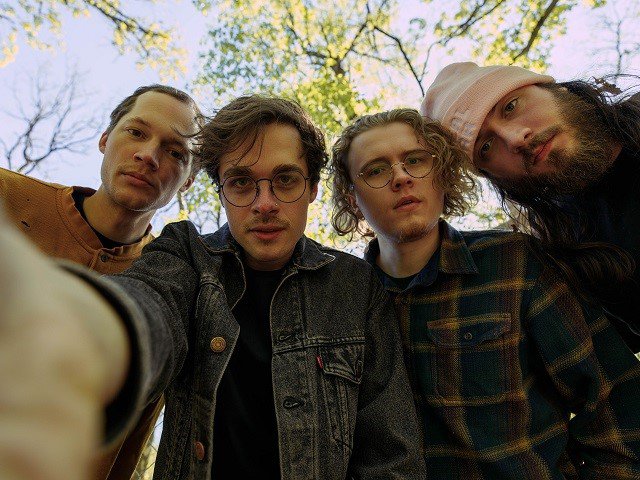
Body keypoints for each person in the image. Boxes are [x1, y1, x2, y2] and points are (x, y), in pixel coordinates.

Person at [0, 95, 424, 480]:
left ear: (312, 188)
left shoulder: (355, 286)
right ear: (220, 191)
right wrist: (81, 337)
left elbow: (392, 455)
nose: (264, 203)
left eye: (286, 180)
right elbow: (151, 303)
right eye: (241, 182)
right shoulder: (185, 253)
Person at [329, 108, 640, 479]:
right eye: (376, 170)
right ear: (352, 199)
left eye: (415, 160)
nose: (401, 177)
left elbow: (617, 398)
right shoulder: (340, 303)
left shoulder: (515, 262)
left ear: (441, 175)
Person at [0, 84, 203, 479]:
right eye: (137, 132)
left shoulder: (172, 290)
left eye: (176, 152)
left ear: (189, 181)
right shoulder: (8, 197)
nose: (148, 155)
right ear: (105, 139)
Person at [420, 61, 640, 351]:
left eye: (510, 106)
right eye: (486, 148)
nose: (514, 139)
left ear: (551, 88)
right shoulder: (572, 262)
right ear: (497, 179)